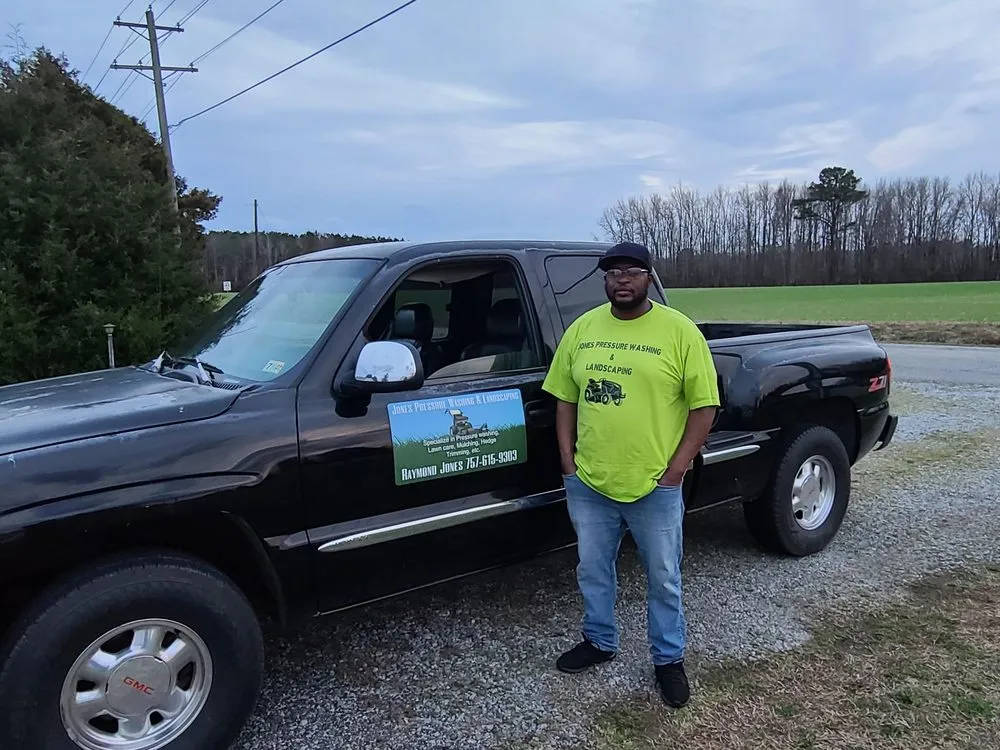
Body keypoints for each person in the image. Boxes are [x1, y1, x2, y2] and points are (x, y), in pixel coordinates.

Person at [540, 241, 720, 708]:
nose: (622, 279)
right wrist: (567, 459)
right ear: (604, 279)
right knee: (593, 570)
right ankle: (599, 641)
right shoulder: (582, 329)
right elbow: (564, 396)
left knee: (663, 576)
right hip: (590, 482)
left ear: (649, 277)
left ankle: (668, 659)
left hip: (654, 484)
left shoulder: (679, 332)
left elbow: (705, 407)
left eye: (633, 271)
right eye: (614, 271)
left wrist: (675, 470)